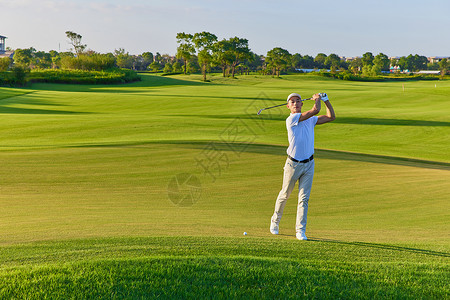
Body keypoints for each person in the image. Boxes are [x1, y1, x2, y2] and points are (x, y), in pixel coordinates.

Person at [270, 92, 335, 240]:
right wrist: (317, 100)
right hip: (293, 165)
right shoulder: (291, 119)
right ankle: (275, 221)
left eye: (298, 101)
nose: (295, 103)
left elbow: (331, 117)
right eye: (292, 102)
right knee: (285, 194)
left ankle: (300, 231)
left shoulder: (310, 120)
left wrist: (326, 100)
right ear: (288, 106)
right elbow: (315, 110)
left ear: (301, 104)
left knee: (303, 199)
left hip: (309, 164)